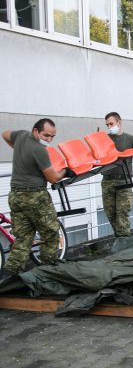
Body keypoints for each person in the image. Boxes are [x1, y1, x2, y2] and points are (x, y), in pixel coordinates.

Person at [1, 119, 68, 281]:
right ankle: (48, 272)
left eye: (53, 136)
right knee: (50, 233)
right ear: (36, 131)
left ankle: (8, 276)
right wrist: (65, 171)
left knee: (23, 237)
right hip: (36, 197)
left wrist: (17, 148)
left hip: (16, 196)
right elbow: (53, 178)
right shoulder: (40, 150)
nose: (49, 140)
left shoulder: (21, 136)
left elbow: (4, 134)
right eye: (46, 135)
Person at [102, 112, 133, 237]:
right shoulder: (104, 139)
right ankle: (121, 240)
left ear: (119, 122)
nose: (109, 127)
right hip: (107, 180)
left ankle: (124, 243)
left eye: (111, 123)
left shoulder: (130, 139)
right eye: (107, 125)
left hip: (124, 181)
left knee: (122, 213)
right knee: (110, 214)